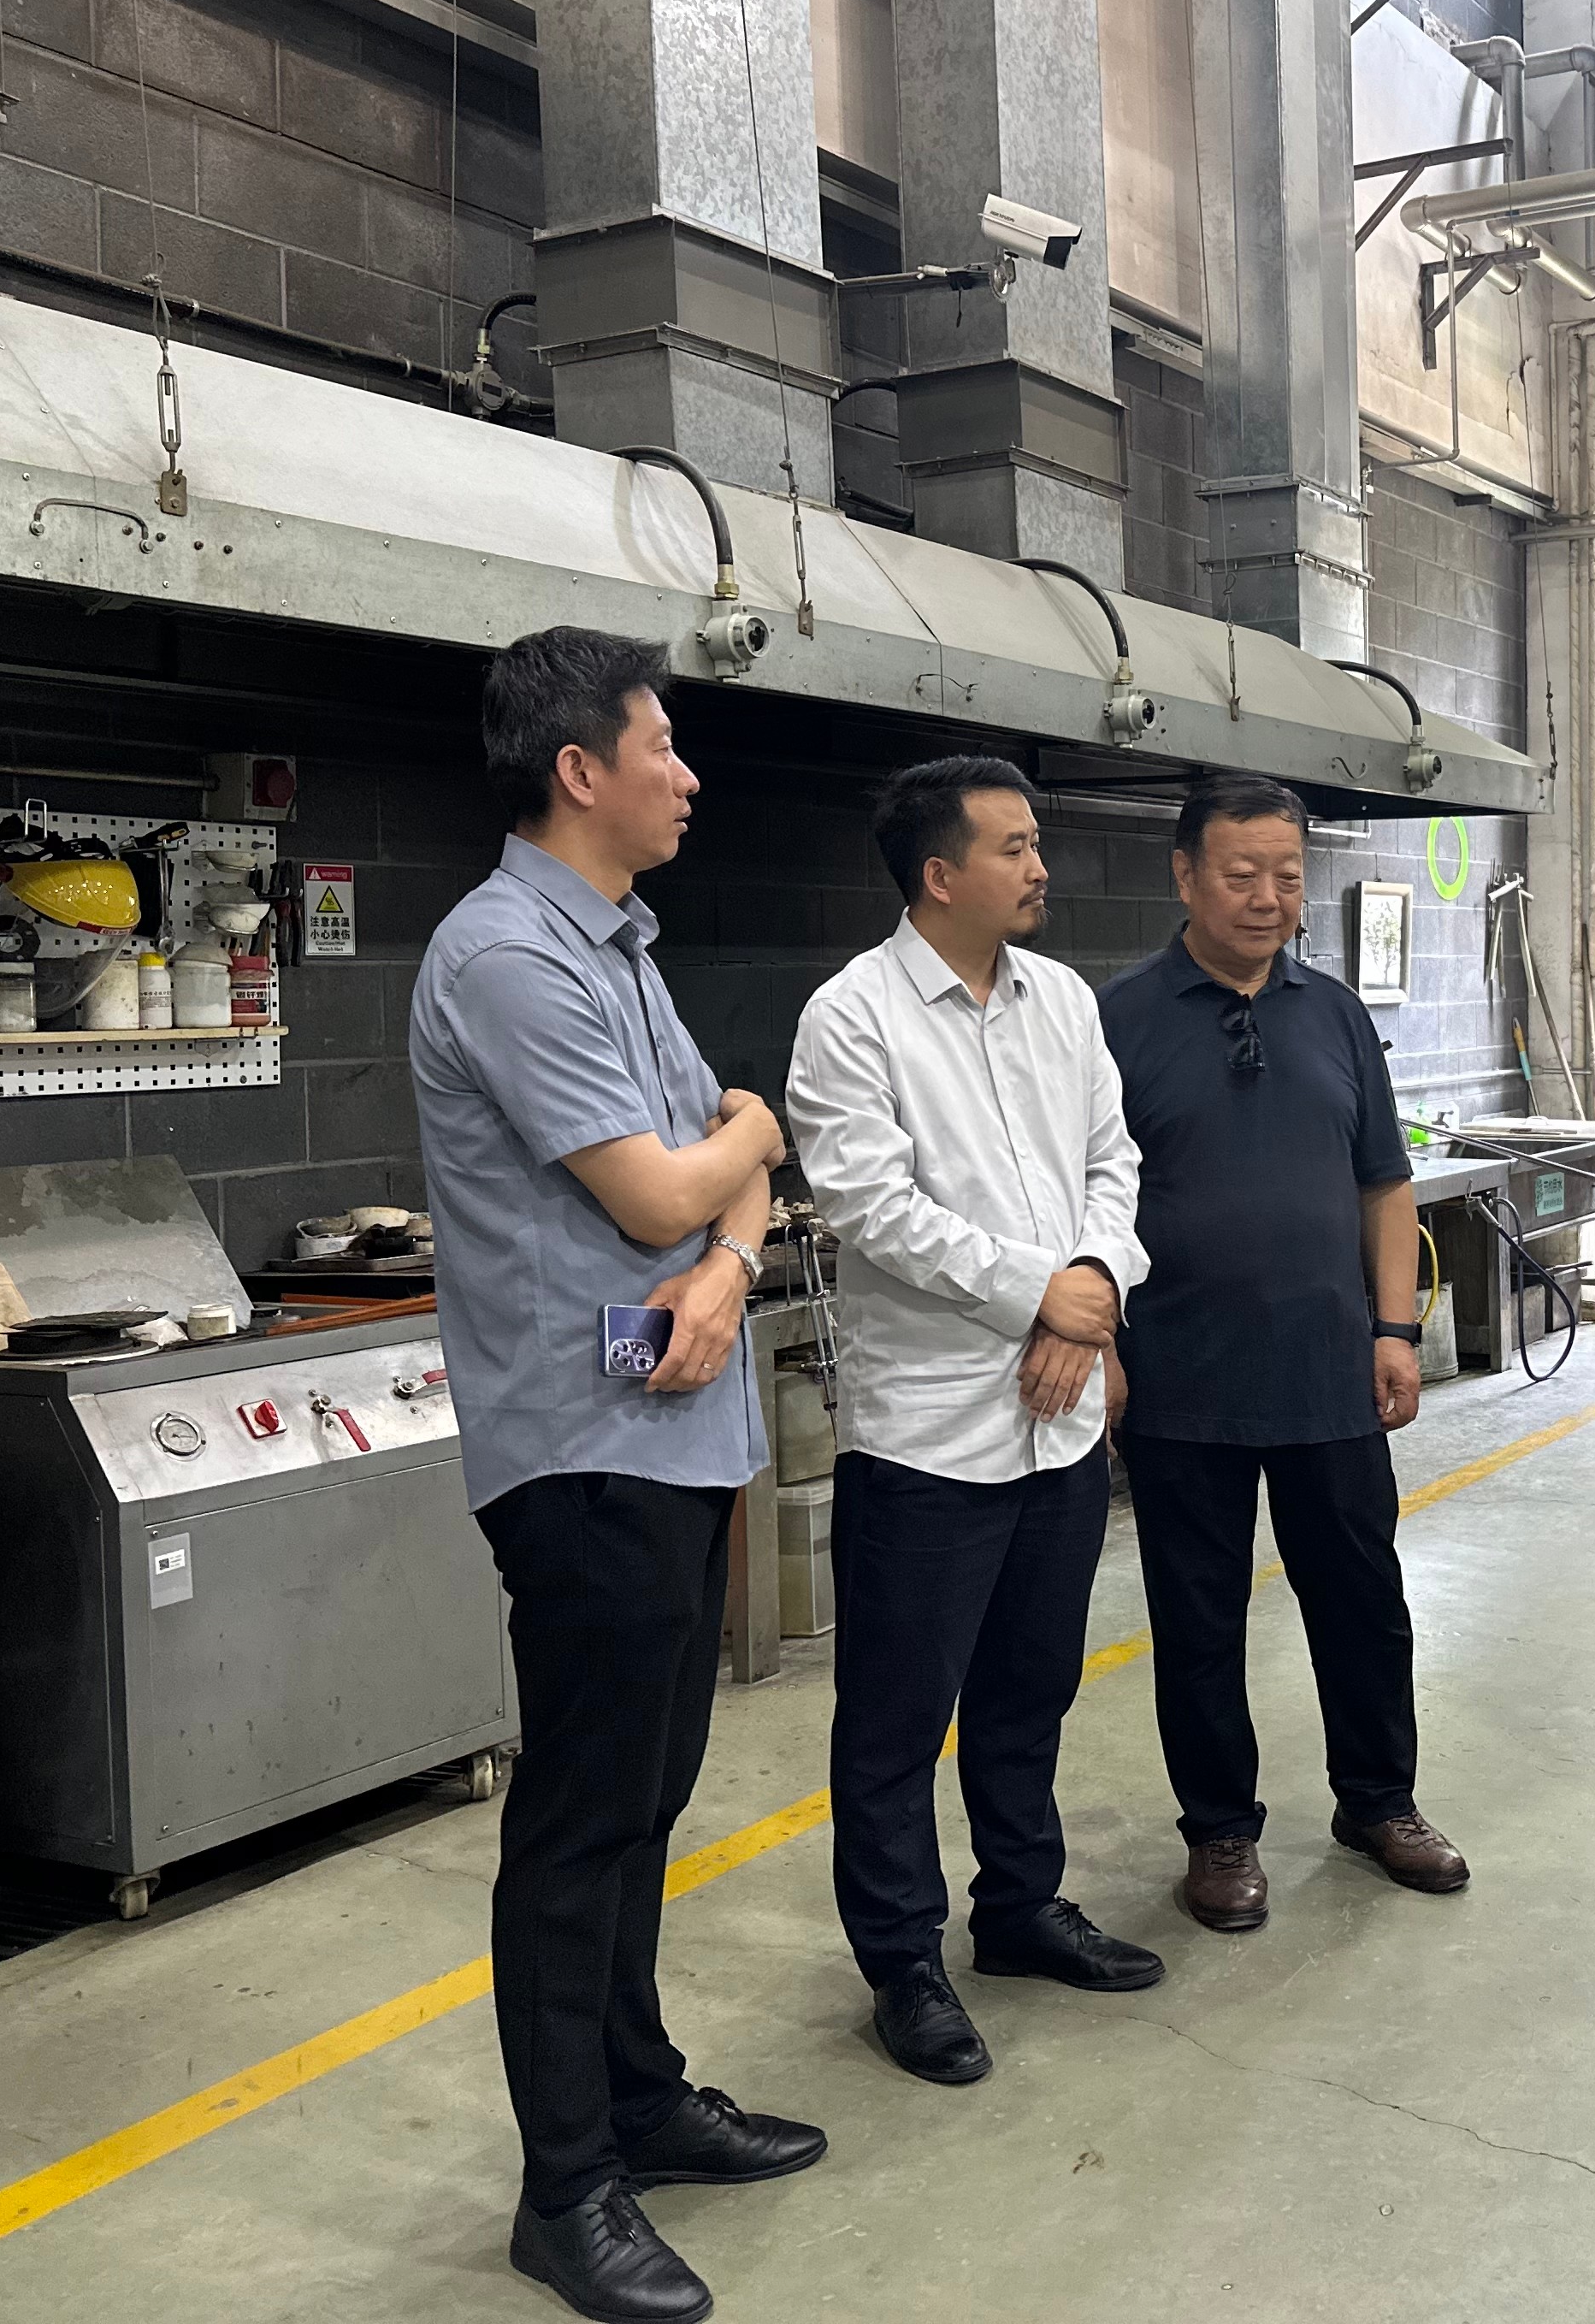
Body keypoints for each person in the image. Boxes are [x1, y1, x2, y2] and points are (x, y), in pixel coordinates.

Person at [411, 627, 825, 2324]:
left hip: (672, 1433)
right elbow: (684, 1176)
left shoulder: (620, 946)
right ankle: (565, 2185)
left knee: (647, 1804)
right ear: (580, 769)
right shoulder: (511, 956)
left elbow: (719, 1188)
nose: (690, 775)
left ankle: (640, 2101)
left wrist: (728, 1244)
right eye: (665, 745)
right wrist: (746, 1152)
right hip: (582, 1455)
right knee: (581, 1826)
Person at [787, 755, 1163, 2085]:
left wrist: (1093, 1287)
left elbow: (1113, 1164)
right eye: (1014, 846)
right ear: (941, 875)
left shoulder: (1063, 1002)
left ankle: (1019, 1908)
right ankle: (904, 1963)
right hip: (932, 1437)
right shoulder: (853, 1016)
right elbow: (872, 1206)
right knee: (896, 1723)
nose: (1039, 865)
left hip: (1058, 1427)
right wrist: (1040, 1293)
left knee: (1028, 1691)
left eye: (1035, 843)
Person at [1096, 775, 1467, 1936]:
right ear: (1185, 876)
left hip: (1329, 1372)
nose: (1268, 898)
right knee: (1197, 1617)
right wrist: (1103, 1344)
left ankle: (1380, 1801)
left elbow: (1384, 1181)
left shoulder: (1336, 1014)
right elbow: (1081, 1196)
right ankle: (1220, 1830)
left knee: (1362, 1600)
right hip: (1181, 1376)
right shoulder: (1118, 1019)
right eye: (1241, 875)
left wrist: (1395, 1331)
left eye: (1289, 876)